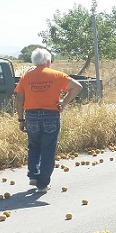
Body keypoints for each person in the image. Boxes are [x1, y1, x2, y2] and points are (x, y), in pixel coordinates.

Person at [15, 48, 82, 192]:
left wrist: (21, 119)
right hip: (51, 115)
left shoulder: (26, 77)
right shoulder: (57, 75)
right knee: (48, 149)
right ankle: (43, 184)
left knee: (33, 146)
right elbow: (77, 87)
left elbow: (19, 98)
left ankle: (33, 174)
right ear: (47, 61)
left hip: (31, 116)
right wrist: (64, 102)